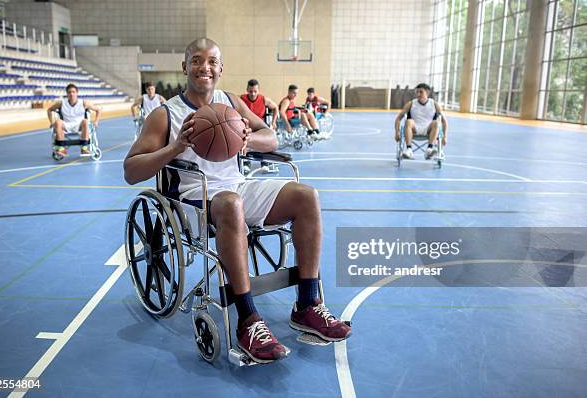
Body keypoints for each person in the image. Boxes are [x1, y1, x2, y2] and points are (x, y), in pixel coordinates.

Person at [124, 38, 350, 364]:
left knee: (306, 196)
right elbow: (131, 171)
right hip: (193, 200)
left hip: (237, 188)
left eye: (212, 61)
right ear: (185, 67)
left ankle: (307, 305)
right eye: (197, 61)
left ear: (220, 68)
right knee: (231, 204)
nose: (205, 67)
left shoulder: (229, 102)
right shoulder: (165, 115)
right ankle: (247, 320)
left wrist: (248, 138)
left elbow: (270, 137)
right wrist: (174, 148)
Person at [394, 83, 448, 159]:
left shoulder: (434, 104)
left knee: (436, 122)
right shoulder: (411, 103)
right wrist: (397, 132)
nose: (418, 94)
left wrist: (445, 137)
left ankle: (429, 149)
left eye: (421, 92)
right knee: (408, 121)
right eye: (417, 92)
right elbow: (398, 118)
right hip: (414, 129)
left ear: (427, 92)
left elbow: (444, 121)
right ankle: (409, 150)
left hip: (429, 130)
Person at [47, 84, 102, 157]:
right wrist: (51, 122)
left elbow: (98, 110)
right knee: (58, 122)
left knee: (85, 121)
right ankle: (61, 149)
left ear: (77, 93)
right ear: (67, 93)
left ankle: (84, 148)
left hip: (79, 125)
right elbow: (49, 110)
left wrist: (96, 121)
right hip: (66, 125)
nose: (71, 94)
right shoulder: (61, 103)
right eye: (69, 92)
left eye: (73, 92)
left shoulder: (83, 103)